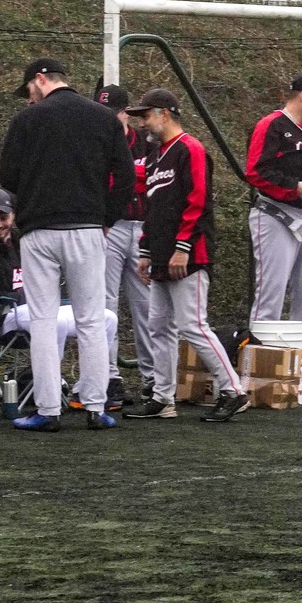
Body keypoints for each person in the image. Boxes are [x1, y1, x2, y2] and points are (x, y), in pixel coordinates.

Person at [0, 58, 133, 432]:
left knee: (42, 321)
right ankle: (94, 406)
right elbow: (125, 174)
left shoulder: (28, 120)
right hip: (88, 228)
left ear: (40, 80)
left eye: (28, 91)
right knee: (91, 320)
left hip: (40, 231)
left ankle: (48, 410)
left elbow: (6, 174)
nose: (28, 99)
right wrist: (106, 218)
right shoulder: (104, 118)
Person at [124, 89, 249, 422]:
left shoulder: (190, 148)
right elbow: (152, 209)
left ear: (165, 113)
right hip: (163, 255)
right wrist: (146, 252)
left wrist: (182, 248)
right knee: (158, 326)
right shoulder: (155, 154)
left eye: (146, 114)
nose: (142, 122)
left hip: (189, 255)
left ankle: (233, 391)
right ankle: (163, 398)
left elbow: (198, 202)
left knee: (193, 326)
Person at [0, 188, 118, 360]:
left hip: (31, 309)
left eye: (3, 218)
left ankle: (93, 383)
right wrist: (14, 297)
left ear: (13, 216)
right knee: (56, 323)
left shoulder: (22, 243)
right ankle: (49, 383)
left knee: (108, 318)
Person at [245, 74, 302, 344]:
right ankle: (258, 368)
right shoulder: (271, 125)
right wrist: (295, 187)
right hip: (276, 215)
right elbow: (255, 172)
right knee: (270, 295)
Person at [89, 84, 158, 409]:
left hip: (142, 226)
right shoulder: (96, 143)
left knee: (147, 306)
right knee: (105, 306)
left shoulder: (146, 142)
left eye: (114, 113)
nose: (110, 119)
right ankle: (109, 376)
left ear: (125, 113)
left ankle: (153, 377)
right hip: (111, 227)